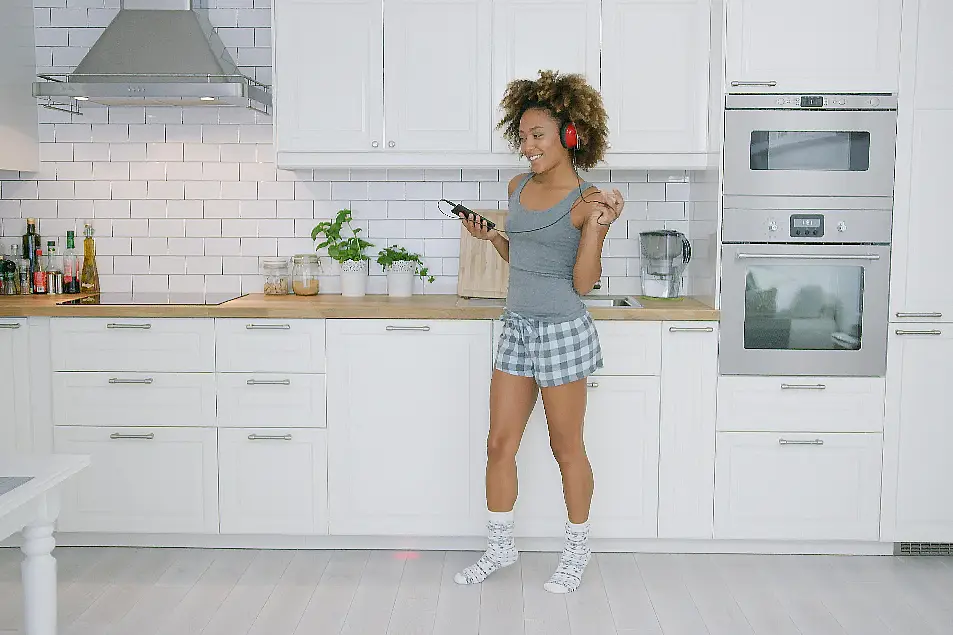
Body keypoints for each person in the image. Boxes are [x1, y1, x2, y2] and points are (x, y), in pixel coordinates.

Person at [453, 70, 624, 594]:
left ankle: (577, 552)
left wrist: (596, 229)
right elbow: (521, 256)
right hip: (517, 329)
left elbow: (582, 281)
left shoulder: (587, 200)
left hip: (560, 331)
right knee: (498, 443)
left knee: (565, 447)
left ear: (571, 134)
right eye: (522, 136)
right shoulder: (518, 187)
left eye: (537, 136)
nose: (526, 147)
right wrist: (491, 239)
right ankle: (500, 549)